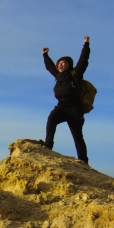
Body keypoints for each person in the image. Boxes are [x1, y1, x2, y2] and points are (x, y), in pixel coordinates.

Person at [40, 36, 91, 164]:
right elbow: (49, 66)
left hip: (75, 108)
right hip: (61, 106)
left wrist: (86, 45)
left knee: (77, 135)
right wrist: (45, 55)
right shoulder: (57, 75)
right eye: (59, 63)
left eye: (63, 63)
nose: (60, 64)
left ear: (68, 65)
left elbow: (83, 60)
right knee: (52, 118)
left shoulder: (75, 74)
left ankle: (83, 160)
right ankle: (48, 144)